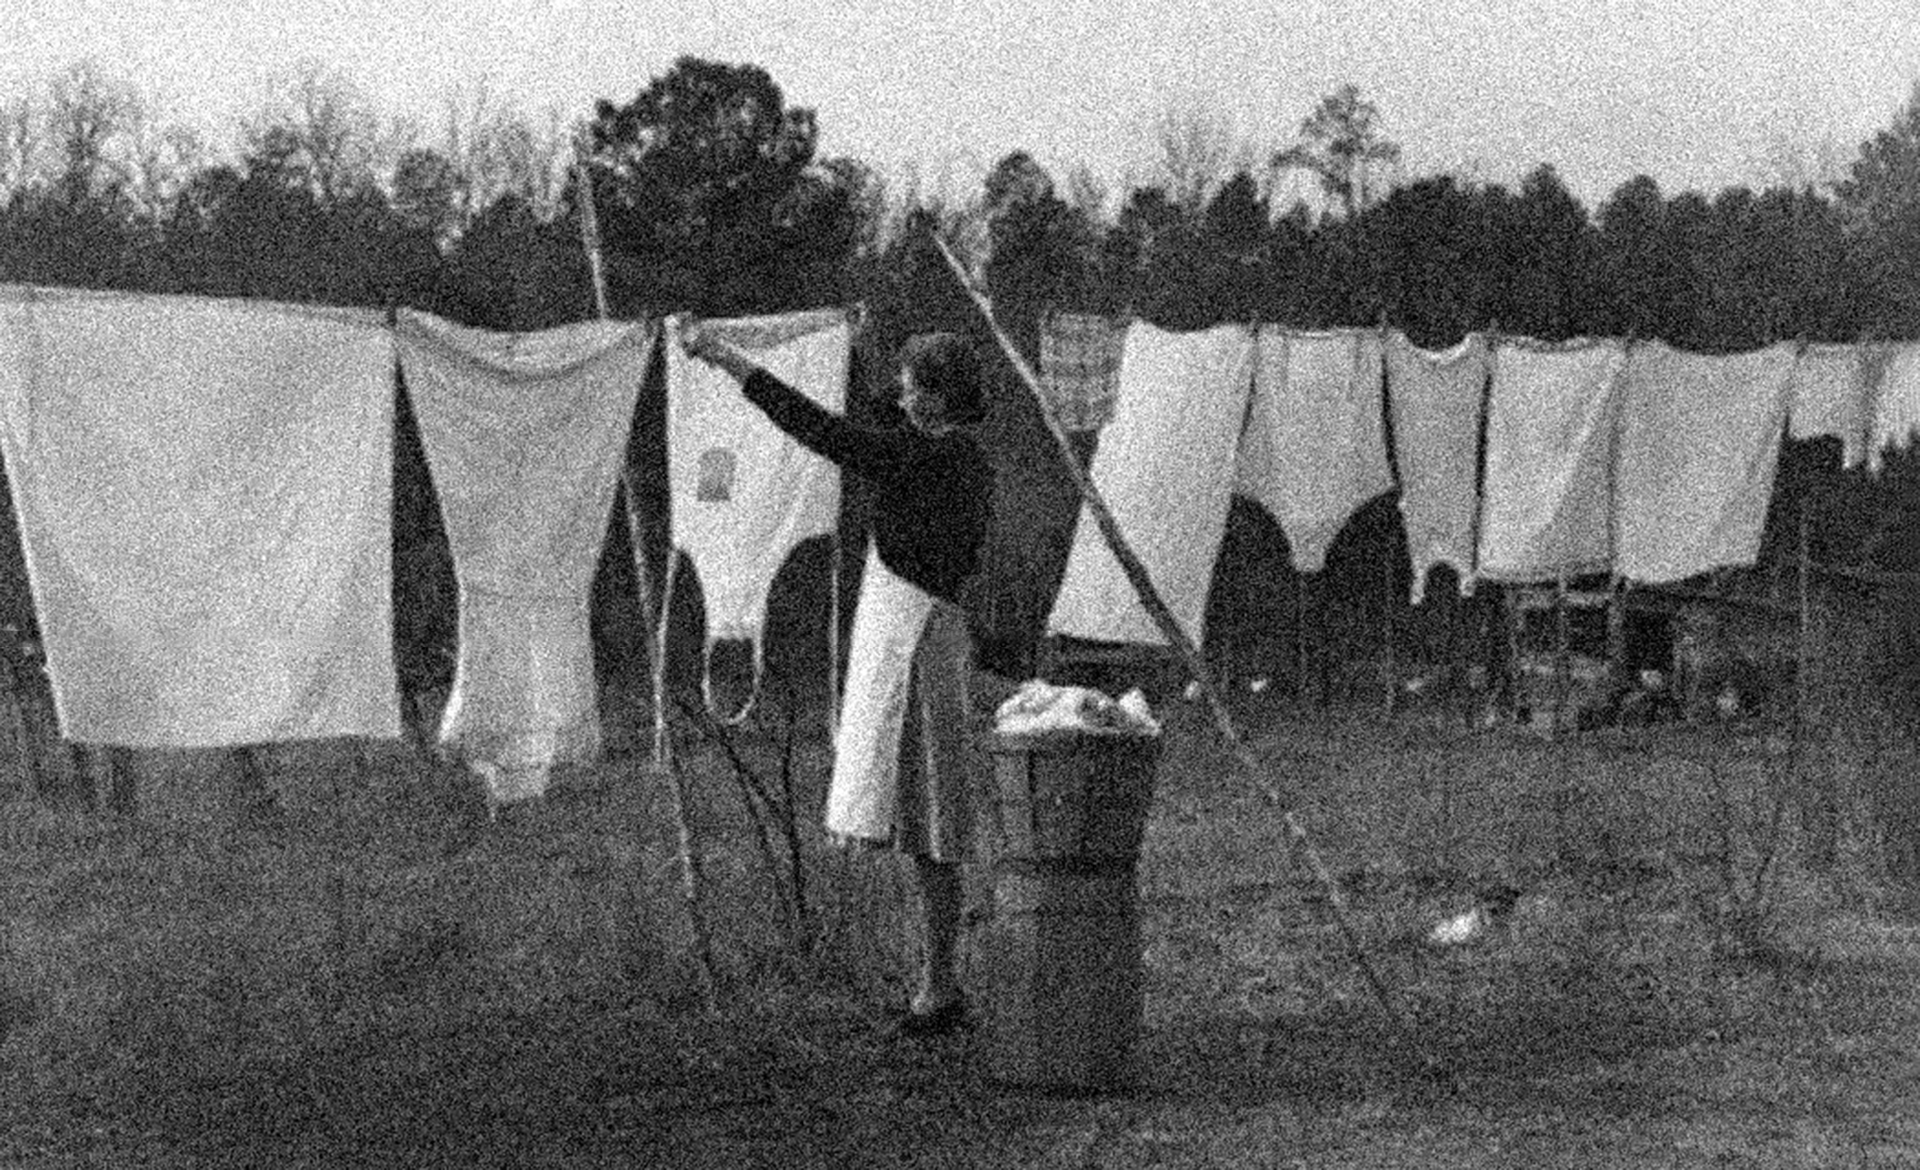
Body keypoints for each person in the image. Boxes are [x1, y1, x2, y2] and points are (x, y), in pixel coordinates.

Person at [677, 322, 995, 1038]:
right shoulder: (958, 456)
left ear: (940, 401)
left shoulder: (923, 460)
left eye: (917, 388)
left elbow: (818, 428)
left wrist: (733, 362)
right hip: (926, 633)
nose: (902, 396)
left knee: (931, 822)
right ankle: (936, 980)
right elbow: (882, 418)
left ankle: (938, 981)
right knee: (922, 821)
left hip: (920, 640)